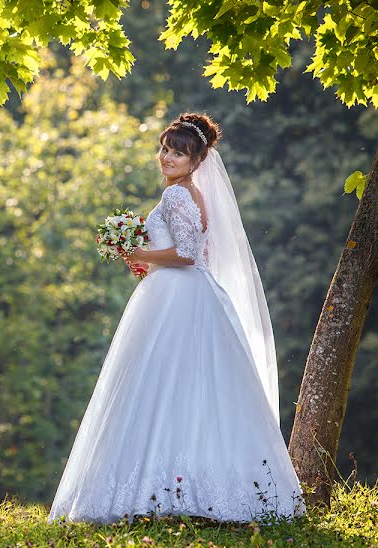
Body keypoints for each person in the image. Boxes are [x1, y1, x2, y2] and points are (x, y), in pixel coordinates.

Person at [48, 113, 304, 523]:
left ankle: (162, 489)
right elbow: (195, 252)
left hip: (177, 298)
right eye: (165, 149)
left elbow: (185, 255)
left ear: (196, 160)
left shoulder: (176, 196)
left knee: (161, 383)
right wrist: (146, 259)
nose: (168, 157)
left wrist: (137, 253)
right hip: (187, 292)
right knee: (188, 386)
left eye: (179, 153)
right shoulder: (191, 195)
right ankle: (190, 486)